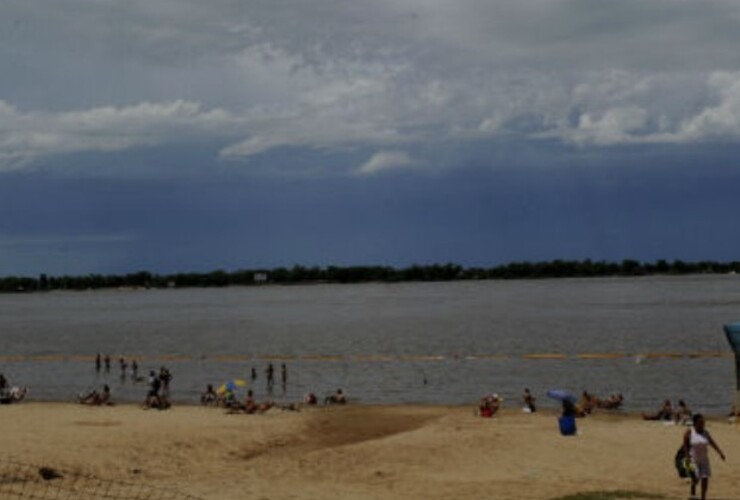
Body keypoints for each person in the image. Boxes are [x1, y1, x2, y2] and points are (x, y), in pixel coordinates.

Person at [683, 413, 726, 500]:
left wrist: (720, 452)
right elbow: (685, 444)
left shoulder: (705, 432)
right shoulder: (690, 432)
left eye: (703, 422)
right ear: (695, 423)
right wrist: (687, 456)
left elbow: (712, 442)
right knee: (696, 479)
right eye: (700, 422)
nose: (702, 424)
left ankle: (703, 497)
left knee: (705, 478)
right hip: (693, 459)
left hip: (704, 460)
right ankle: (693, 488)